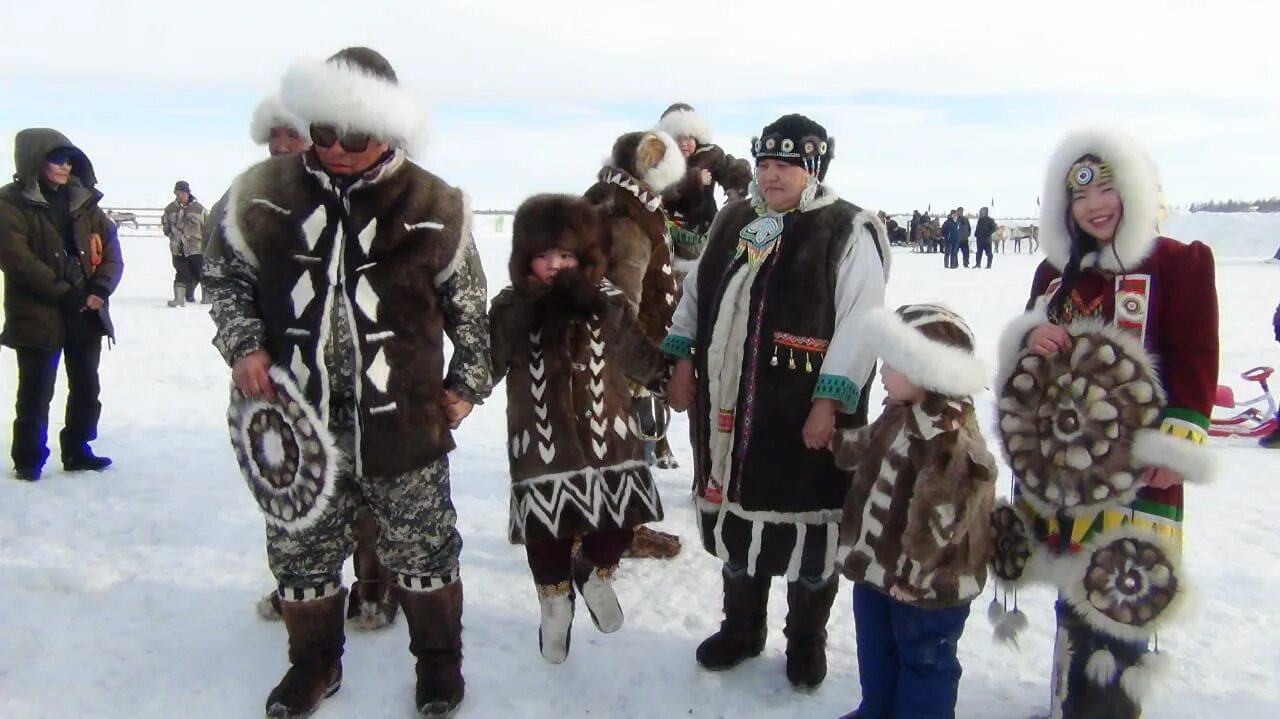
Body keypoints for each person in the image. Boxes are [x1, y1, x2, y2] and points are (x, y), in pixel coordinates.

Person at [204, 46, 491, 718]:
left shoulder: (435, 202)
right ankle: (313, 665)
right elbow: (223, 279)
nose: (334, 148)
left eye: (353, 135)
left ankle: (439, 667)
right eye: (323, 131)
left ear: (387, 130)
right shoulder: (262, 192)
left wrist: (468, 383)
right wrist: (243, 346)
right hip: (294, 417)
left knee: (423, 548)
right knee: (301, 547)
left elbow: (470, 307)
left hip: (405, 419)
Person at [996, 127, 1218, 719]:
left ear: (1138, 193)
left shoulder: (1178, 264)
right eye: (1079, 195)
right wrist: (1028, 338)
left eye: (1108, 190)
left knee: (1120, 594)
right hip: (1063, 470)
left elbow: (1196, 358)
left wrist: (1176, 442)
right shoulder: (1055, 274)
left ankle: (1110, 710)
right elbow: (1025, 362)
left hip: (1138, 474)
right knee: (1073, 592)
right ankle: (1069, 703)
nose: (1095, 206)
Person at [665, 113, 890, 690]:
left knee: (806, 525)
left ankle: (805, 639)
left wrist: (830, 403)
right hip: (728, 406)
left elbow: (861, 323)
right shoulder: (735, 219)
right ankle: (741, 628)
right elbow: (696, 293)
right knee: (737, 511)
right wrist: (684, 358)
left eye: (784, 164)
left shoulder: (844, 228)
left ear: (812, 168)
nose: (770, 174)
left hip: (799, 411)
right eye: (763, 163)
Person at [490, 193, 670, 664]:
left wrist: (676, 380)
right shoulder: (511, 308)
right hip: (540, 447)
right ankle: (554, 601)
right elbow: (485, 363)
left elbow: (638, 354)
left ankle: (594, 572)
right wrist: (455, 393)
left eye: (566, 255)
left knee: (619, 524)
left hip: (609, 438)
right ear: (525, 258)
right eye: (543, 256)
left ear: (585, 256)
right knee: (545, 535)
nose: (554, 265)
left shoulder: (606, 302)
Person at [830, 304, 994, 719]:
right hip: (880, 569)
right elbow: (868, 443)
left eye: (893, 363)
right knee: (876, 645)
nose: (882, 372)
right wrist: (835, 443)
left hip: (928, 586)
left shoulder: (949, 441)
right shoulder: (901, 414)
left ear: (925, 371)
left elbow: (944, 519)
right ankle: (877, 709)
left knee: (925, 661)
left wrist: (917, 577)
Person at [0, 129, 123, 481]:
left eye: (69, 159)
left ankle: (78, 448)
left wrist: (100, 288)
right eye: (57, 159)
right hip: (39, 314)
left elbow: (112, 250)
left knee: (86, 385)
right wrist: (64, 293)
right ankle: (28, 458)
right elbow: (16, 259)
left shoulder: (84, 203)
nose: (65, 166)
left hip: (87, 310)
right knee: (36, 390)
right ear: (34, 161)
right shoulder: (9, 204)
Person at [655, 103, 752, 278]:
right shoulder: (660, 162)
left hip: (704, 225)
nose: (684, 143)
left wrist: (736, 190)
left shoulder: (709, 155)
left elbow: (730, 168)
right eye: (678, 138)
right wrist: (694, 180)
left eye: (689, 137)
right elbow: (662, 192)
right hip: (671, 228)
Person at [161, 180, 206, 306]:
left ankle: (202, 296)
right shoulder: (170, 209)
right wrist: (172, 236)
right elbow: (165, 225)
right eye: (177, 193)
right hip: (177, 247)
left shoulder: (199, 209)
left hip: (196, 248)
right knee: (181, 271)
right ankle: (179, 299)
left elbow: (207, 227)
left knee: (199, 272)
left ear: (187, 193)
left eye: (182, 193)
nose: (179, 196)